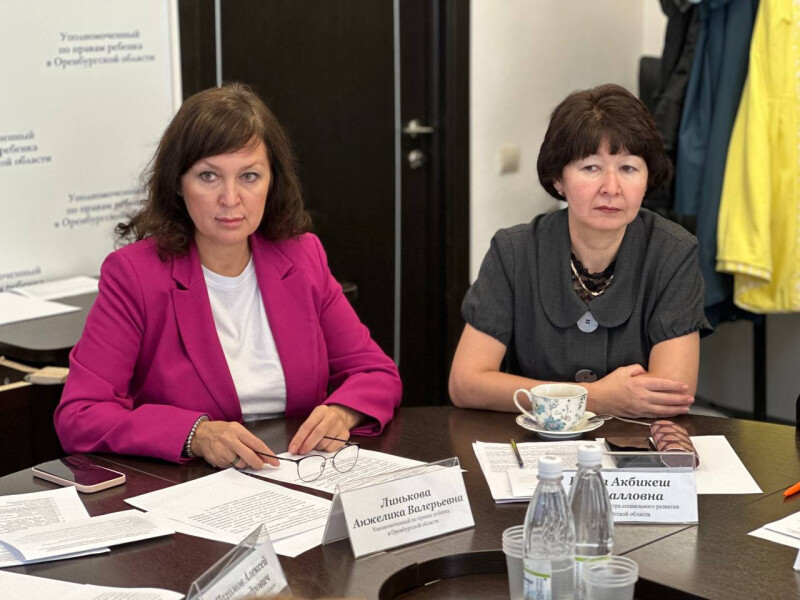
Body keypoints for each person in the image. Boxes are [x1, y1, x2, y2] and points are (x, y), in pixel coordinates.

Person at [54, 83, 402, 469]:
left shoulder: (302, 256)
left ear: (272, 181)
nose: (231, 198)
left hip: (297, 474)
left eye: (249, 176)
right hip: (189, 484)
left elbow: (376, 373)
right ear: (177, 183)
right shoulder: (135, 275)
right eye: (208, 176)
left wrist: (342, 412)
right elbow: (80, 415)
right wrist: (195, 434)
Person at [449, 83, 711, 418]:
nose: (611, 188)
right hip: (533, 442)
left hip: (631, 442)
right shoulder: (513, 251)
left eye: (628, 168)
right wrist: (595, 397)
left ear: (648, 179)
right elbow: (466, 384)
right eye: (591, 168)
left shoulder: (673, 252)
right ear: (559, 179)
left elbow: (670, 394)